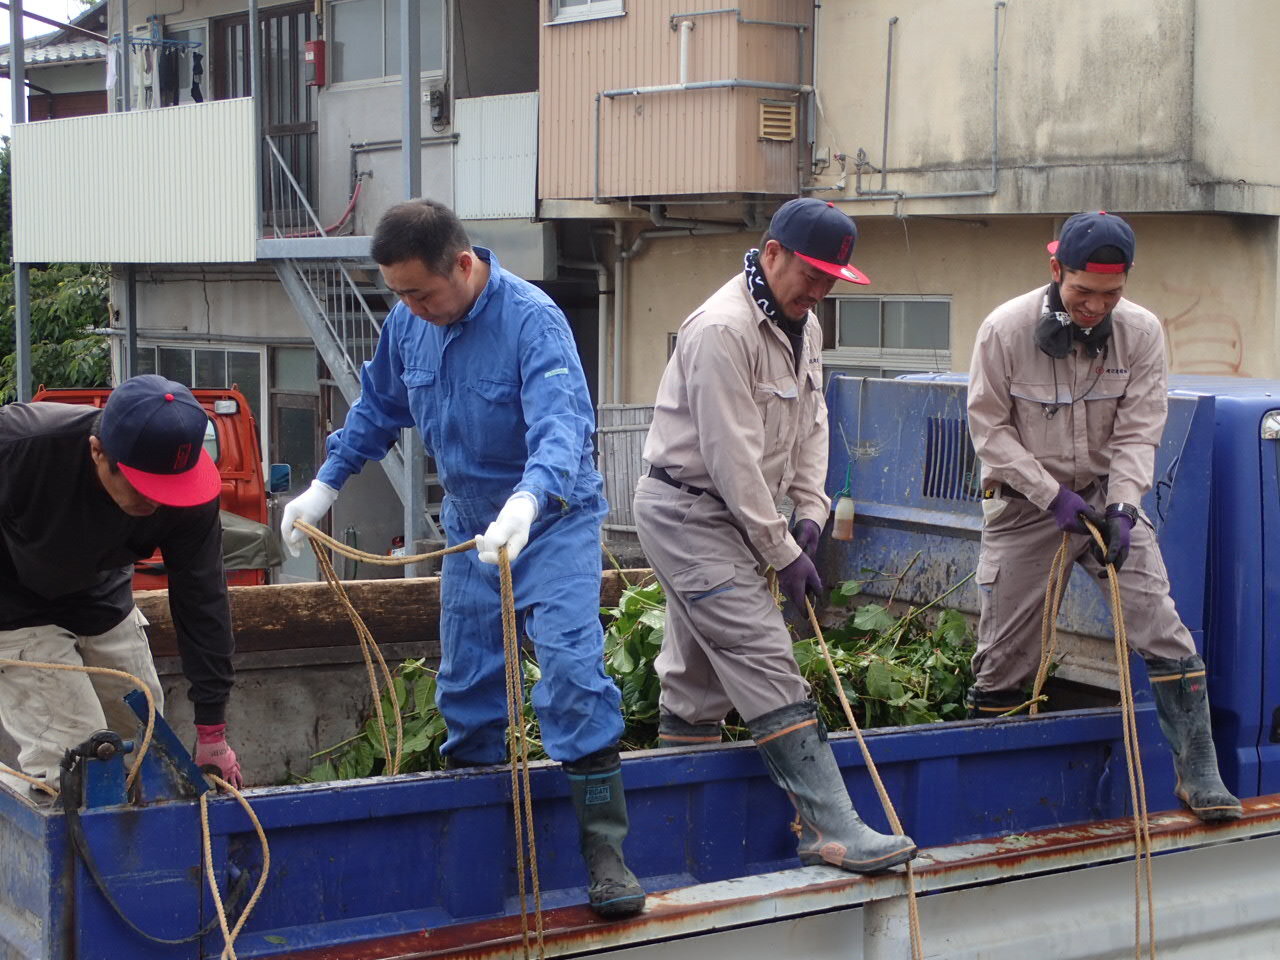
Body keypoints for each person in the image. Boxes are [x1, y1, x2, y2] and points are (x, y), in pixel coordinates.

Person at [280, 199, 645, 919]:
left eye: (421, 291)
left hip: (552, 520)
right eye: (400, 295)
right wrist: (324, 486)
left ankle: (605, 849)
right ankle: (476, 835)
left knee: (571, 669)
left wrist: (529, 502)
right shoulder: (409, 327)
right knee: (469, 690)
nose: (411, 306)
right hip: (472, 528)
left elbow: (561, 426)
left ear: (465, 264)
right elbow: (377, 408)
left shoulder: (531, 321)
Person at [633, 198, 917, 874]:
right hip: (689, 511)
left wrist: (811, 510)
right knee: (765, 654)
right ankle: (828, 827)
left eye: (829, 281)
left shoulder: (803, 326)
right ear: (771, 254)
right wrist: (783, 551)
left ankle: (674, 832)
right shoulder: (720, 332)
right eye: (809, 275)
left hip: (737, 515)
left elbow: (813, 422)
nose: (816, 292)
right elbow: (731, 459)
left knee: (699, 683)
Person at [966, 210, 1241, 822]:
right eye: (1083, 292)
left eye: (1110, 294)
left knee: (1160, 621)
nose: (1095, 306)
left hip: (1103, 495)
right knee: (1006, 653)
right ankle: (995, 784)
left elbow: (1141, 429)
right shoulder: (1004, 330)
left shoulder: (1141, 332)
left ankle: (1199, 775)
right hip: (1025, 503)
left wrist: (1121, 505)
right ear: (1056, 268)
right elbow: (989, 431)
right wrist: (1048, 494)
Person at [0, 375, 242, 797]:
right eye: (144, 487)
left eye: (171, 488)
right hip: (12, 603)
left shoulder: (190, 494)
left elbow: (202, 597)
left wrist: (212, 729)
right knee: (75, 758)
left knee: (143, 741)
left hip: (99, 592)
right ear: (98, 452)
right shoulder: (22, 445)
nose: (158, 502)